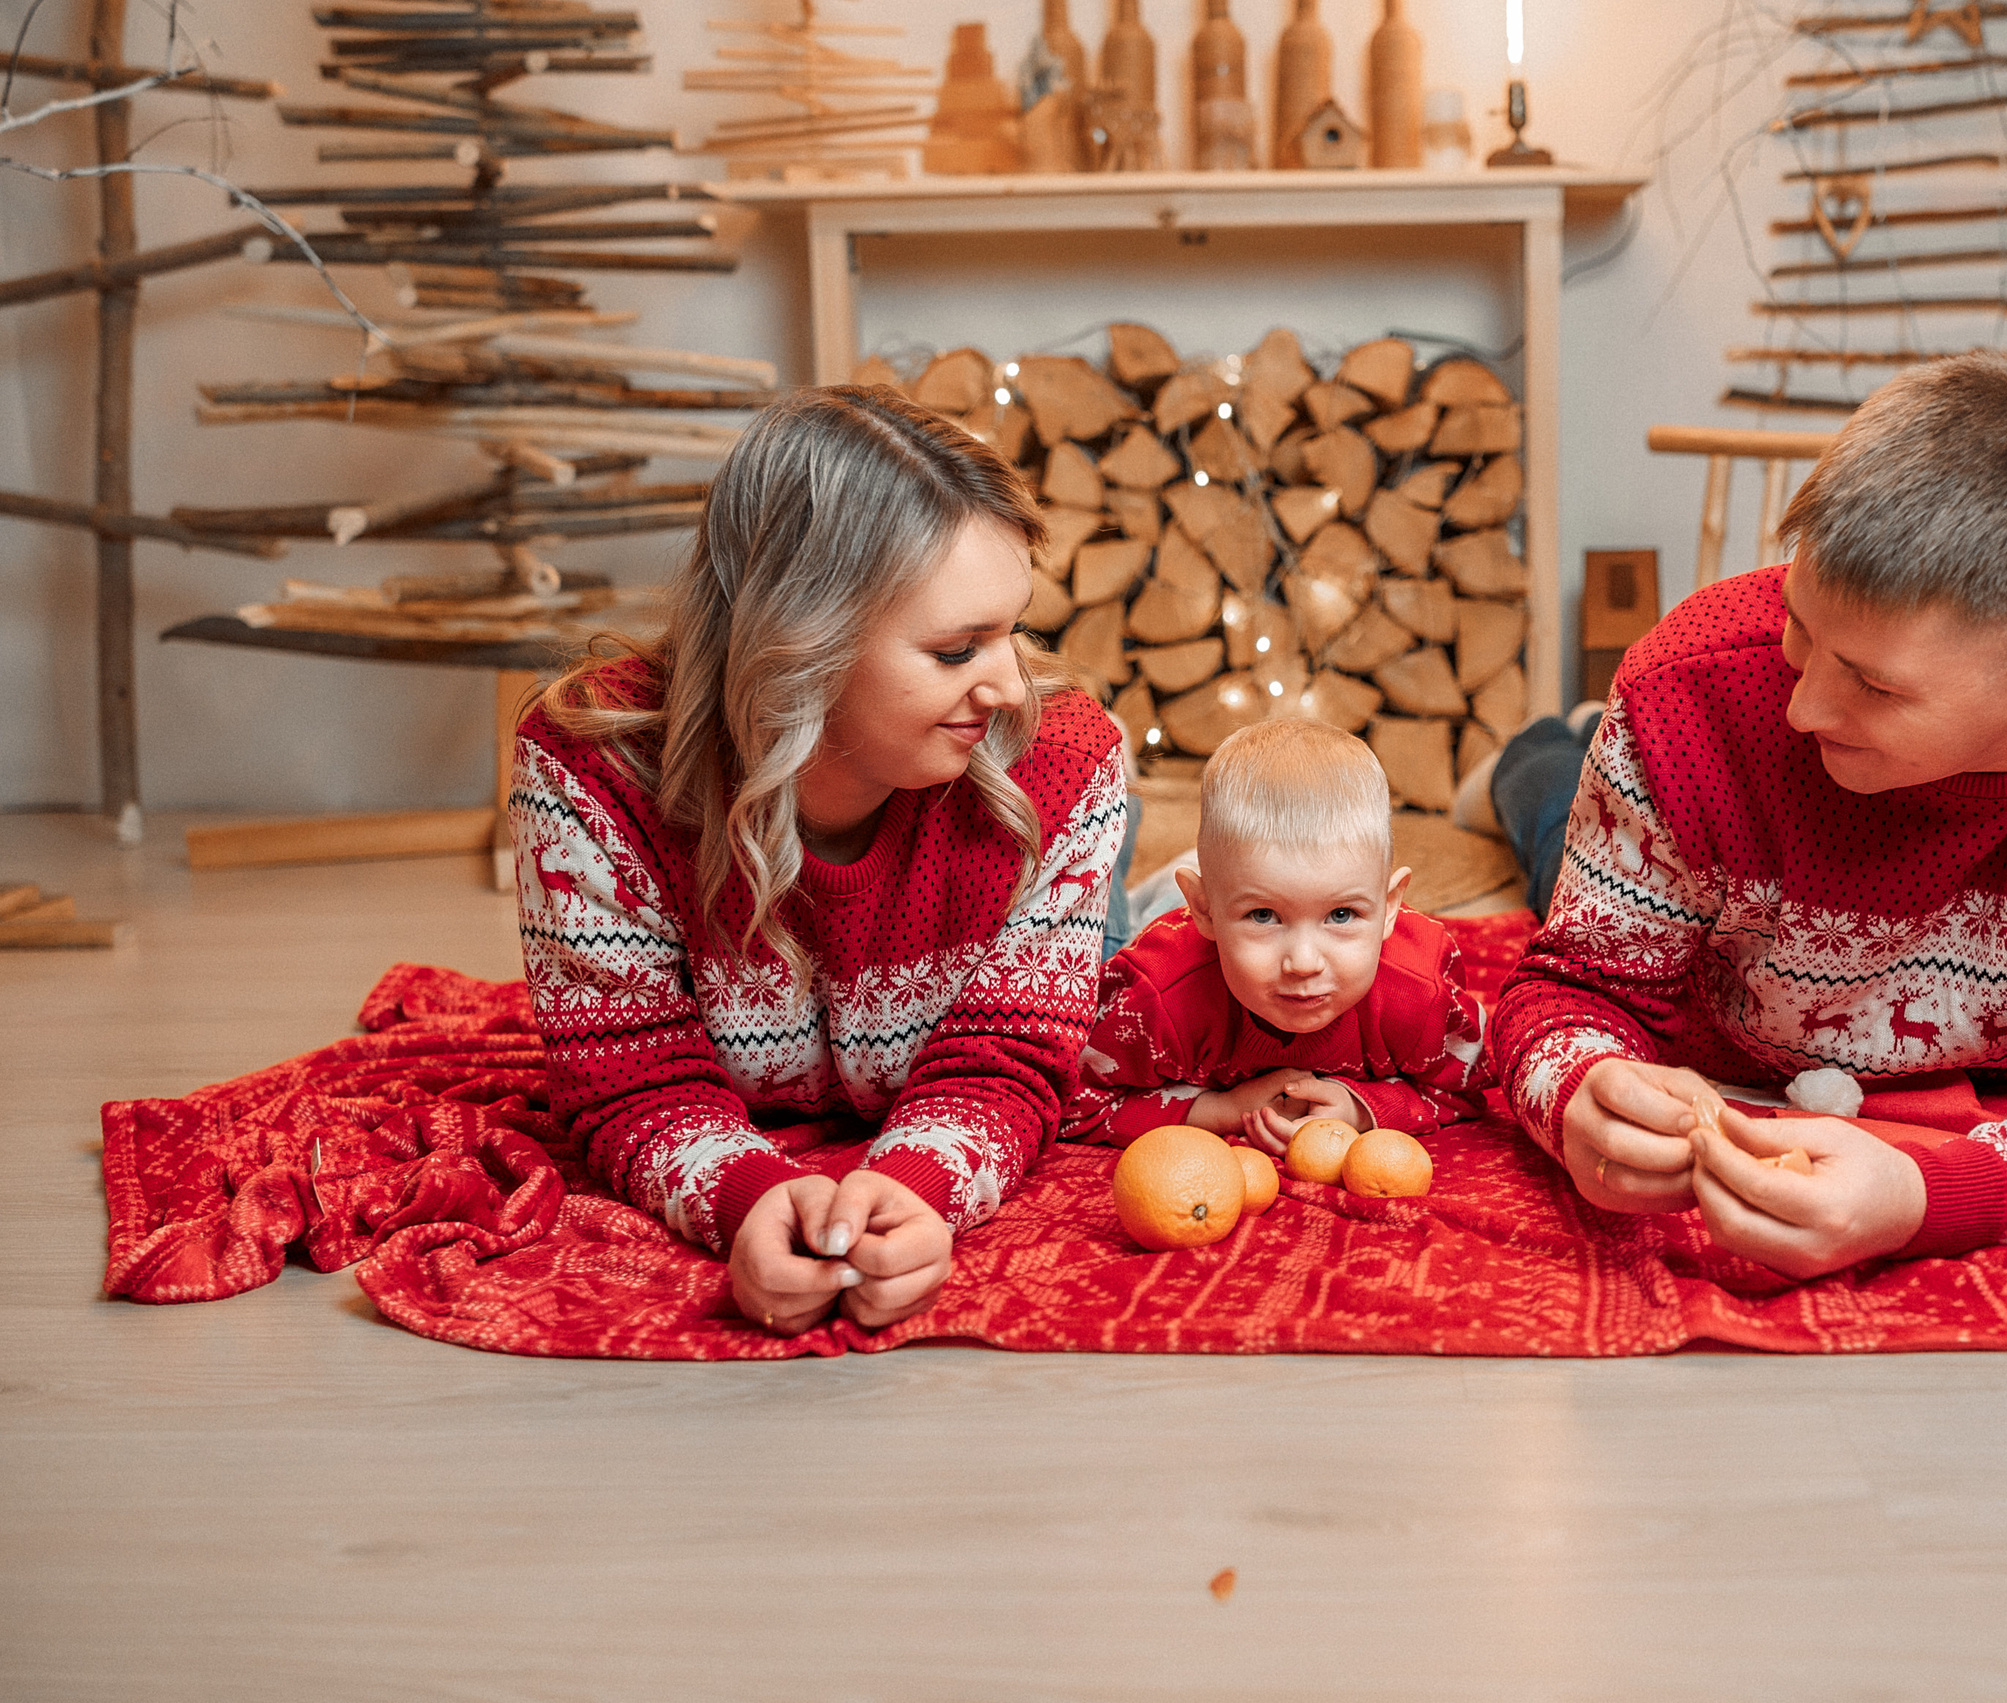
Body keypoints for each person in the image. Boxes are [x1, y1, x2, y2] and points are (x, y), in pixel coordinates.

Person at [1488, 352, 2007, 1278]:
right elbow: (1572, 991)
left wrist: (1933, 1196)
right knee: (1550, 824)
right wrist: (1575, 1093)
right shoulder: (1685, 690)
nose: (1803, 708)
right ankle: (1539, 754)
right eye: (1802, 628)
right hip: (1692, 894)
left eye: (1875, 685)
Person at [512, 387, 1127, 1336]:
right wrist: (749, 1199)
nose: (1007, 685)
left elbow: (1009, 1057)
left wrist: (913, 1190)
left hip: (1057, 903)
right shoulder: (590, 769)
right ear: (800, 641)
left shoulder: (1063, 761)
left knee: (1158, 976)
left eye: (1014, 630)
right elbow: (629, 1077)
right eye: (959, 647)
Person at [1065, 719, 1489, 1152]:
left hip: (1210, 909)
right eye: (1264, 915)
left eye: (1341, 914)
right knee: (1097, 924)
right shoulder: (1155, 995)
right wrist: (1218, 1111)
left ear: (1390, 908)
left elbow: (1468, 1089)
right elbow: (1073, 1099)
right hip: (1167, 938)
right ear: (1204, 909)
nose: (1304, 962)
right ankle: (1114, 790)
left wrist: (1360, 1109)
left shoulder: (1422, 995)